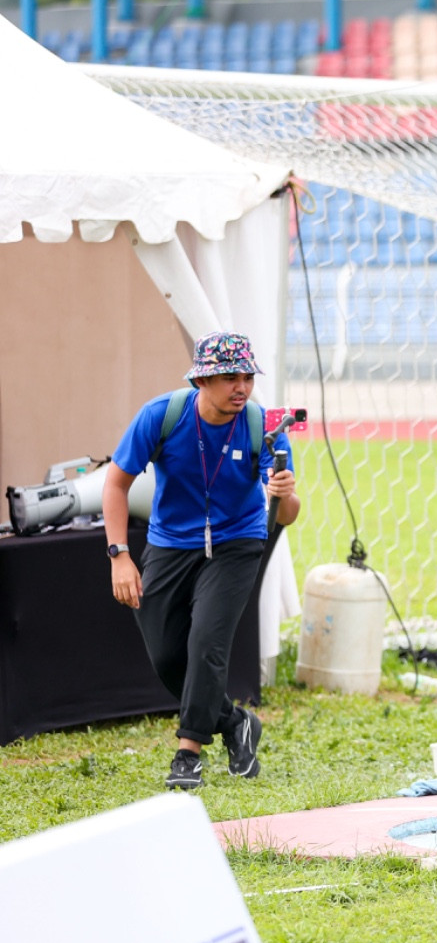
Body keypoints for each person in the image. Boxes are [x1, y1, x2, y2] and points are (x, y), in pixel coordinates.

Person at [102, 332, 299, 790]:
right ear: (202, 379)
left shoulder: (262, 427)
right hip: (171, 541)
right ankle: (234, 724)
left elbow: (286, 517)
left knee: (206, 643)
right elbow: (115, 485)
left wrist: (285, 495)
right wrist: (119, 556)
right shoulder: (161, 416)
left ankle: (187, 754)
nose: (242, 387)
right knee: (168, 656)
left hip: (238, 540)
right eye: (230, 376)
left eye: (248, 376)